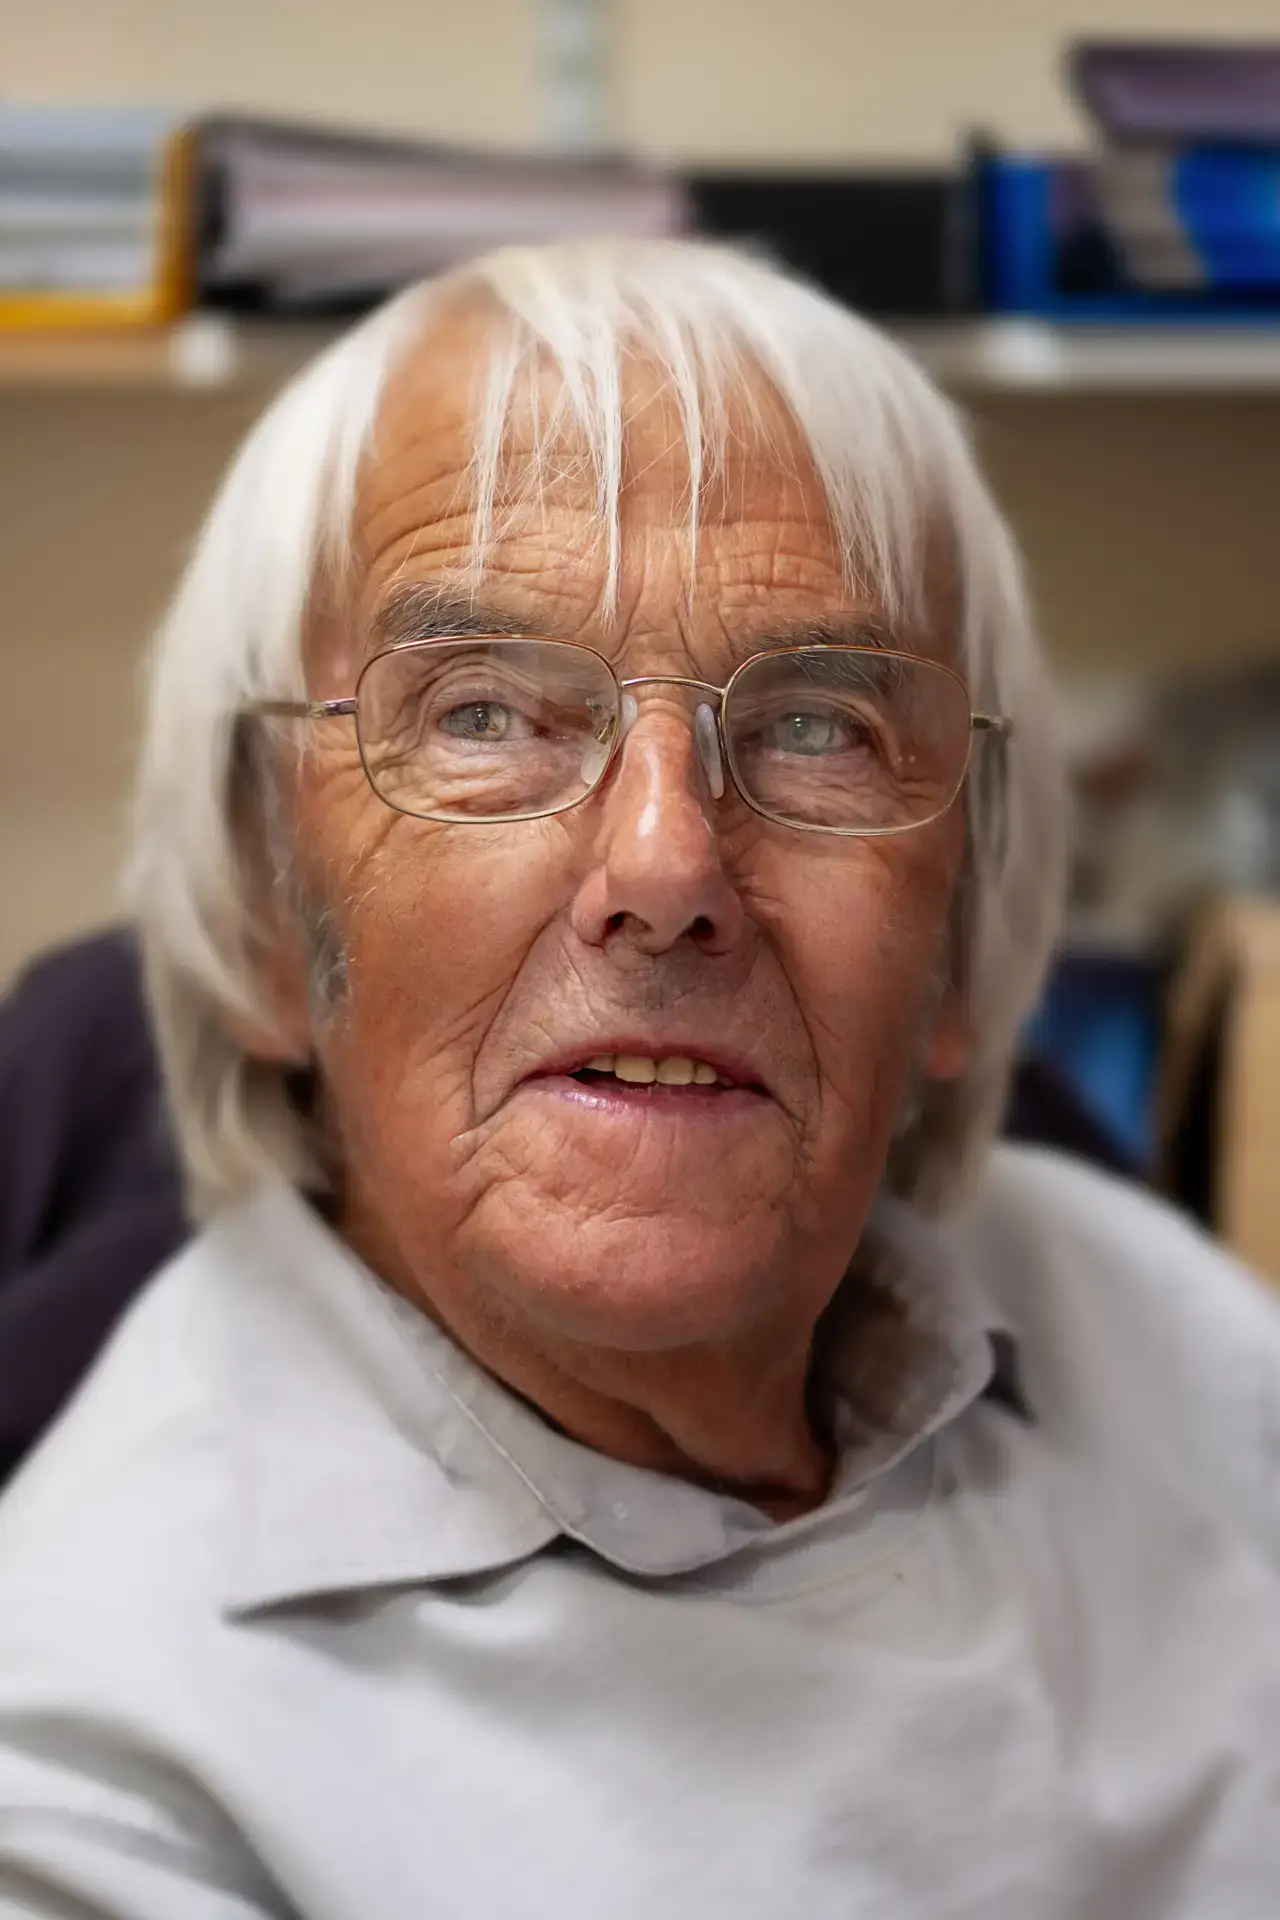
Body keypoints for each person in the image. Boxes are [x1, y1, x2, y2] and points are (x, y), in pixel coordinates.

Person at [0, 239, 1276, 1919]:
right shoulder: (104, 1777)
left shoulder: (1153, 1327)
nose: (667, 862)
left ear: (963, 931)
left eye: (821, 725)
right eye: (479, 714)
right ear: (257, 909)